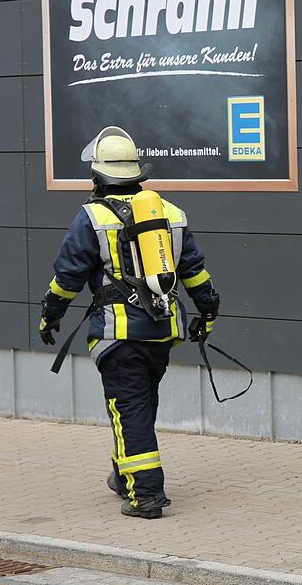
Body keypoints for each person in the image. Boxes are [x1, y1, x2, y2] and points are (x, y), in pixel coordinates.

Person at [38, 126, 220, 519]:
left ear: (98, 176)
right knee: (139, 404)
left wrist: (50, 313)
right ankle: (125, 476)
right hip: (161, 332)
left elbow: (67, 276)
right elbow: (194, 272)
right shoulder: (170, 213)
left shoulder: (91, 218)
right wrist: (207, 310)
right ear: (138, 174)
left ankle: (146, 495)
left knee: (129, 407)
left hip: (117, 334)